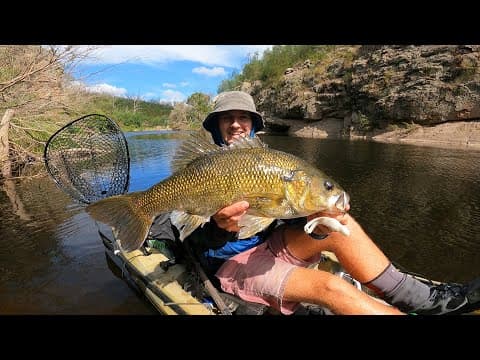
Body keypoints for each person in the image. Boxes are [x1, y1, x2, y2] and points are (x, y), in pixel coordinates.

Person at [154, 90, 480, 315]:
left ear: (254, 125)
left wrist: (319, 215)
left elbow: (284, 215)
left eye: (244, 117)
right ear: (216, 125)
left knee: (338, 225)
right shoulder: (200, 171)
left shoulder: (275, 164)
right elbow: (189, 241)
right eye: (228, 118)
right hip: (228, 265)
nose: (237, 124)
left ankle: (426, 300)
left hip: (270, 247)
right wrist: (219, 229)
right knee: (329, 287)